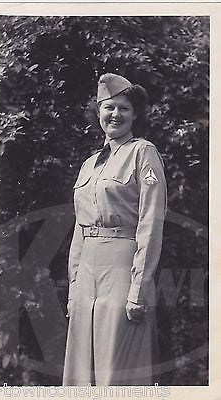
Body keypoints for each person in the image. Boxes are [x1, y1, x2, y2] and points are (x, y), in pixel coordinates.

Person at [63, 73, 167, 386]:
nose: (115, 115)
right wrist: (73, 287)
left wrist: (138, 288)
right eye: (108, 108)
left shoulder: (143, 153)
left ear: (135, 114)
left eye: (123, 108)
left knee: (117, 369)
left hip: (123, 268)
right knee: (81, 371)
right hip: (87, 275)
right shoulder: (90, 163)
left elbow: (150, 222)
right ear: (98, 113)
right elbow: (81, 229)